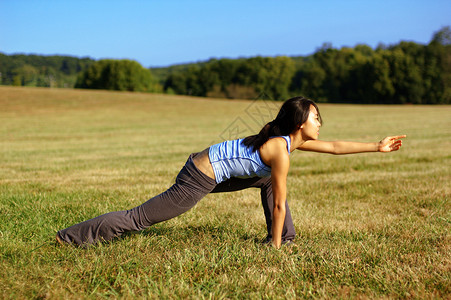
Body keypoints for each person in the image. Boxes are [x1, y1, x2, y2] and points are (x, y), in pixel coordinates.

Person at [56, 96, 405, 248]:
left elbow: (332, 147)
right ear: (300, 122)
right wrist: (274, 253)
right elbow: (281, 205)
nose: (320, 123)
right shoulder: (280, 151)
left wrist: (377, 146)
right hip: (199, 175)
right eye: (316, 117)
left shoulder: (287, 141)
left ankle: (284, 238)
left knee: (265, 180)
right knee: (139, 218)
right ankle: (69, 237)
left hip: (215, 171)